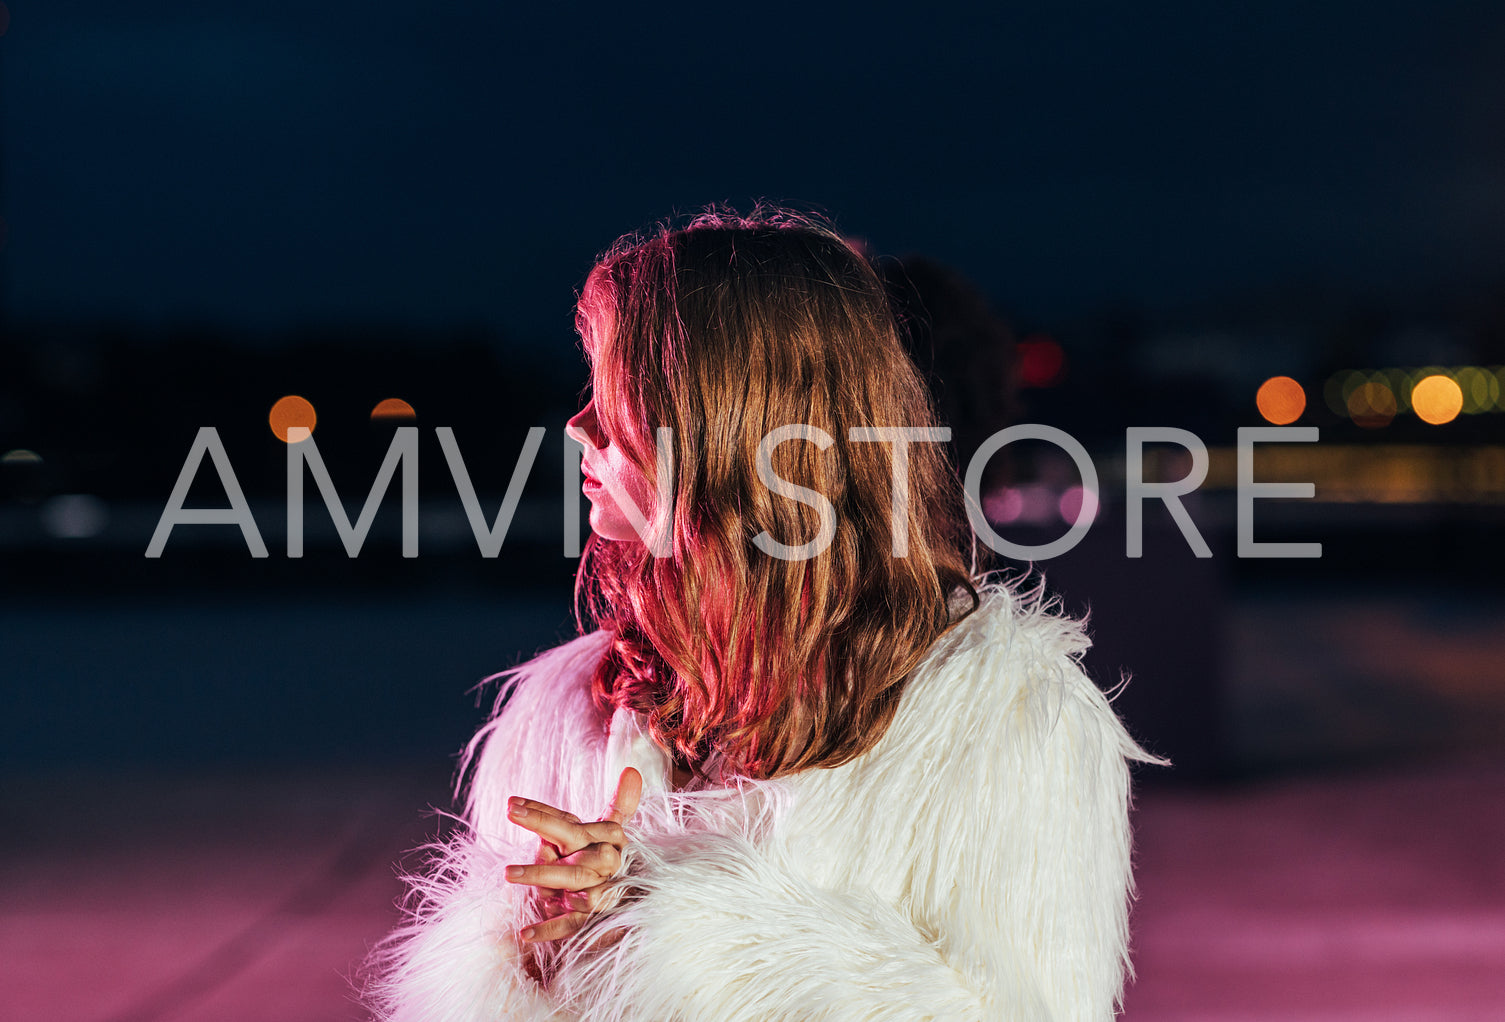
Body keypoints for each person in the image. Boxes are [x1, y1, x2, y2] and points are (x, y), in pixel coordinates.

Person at [364, 207, 1167, 1021]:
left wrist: (683, 930)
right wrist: (542, 948)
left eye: (616, 394)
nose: (578, 427)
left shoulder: (1005, 716)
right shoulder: (568, 706)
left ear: (727, 422)